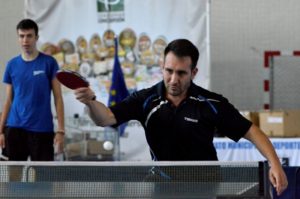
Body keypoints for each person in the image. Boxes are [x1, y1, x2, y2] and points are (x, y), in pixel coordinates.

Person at [74, 39, 287, 195]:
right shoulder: (146, 99)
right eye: (169, 71)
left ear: (193, 72)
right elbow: (105, 118)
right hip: (162, 182)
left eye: (181, 73)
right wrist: (91, 101)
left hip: (204, 183)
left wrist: (275, 164)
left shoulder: (210, 103)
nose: (173, 79)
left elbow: (251, 131)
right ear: (162, 67)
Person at [0, 19, 65, 179]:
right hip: (15, 129)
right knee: (13, 178)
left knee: (43, 180)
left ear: (36, 37)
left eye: (29, 36)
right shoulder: (11, 65)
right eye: (21, 36)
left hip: (42, 130)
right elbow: (8, 100)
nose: (25, 40)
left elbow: (58, 98)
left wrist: (61, 131)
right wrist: (1, 130)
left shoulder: (49, 63)